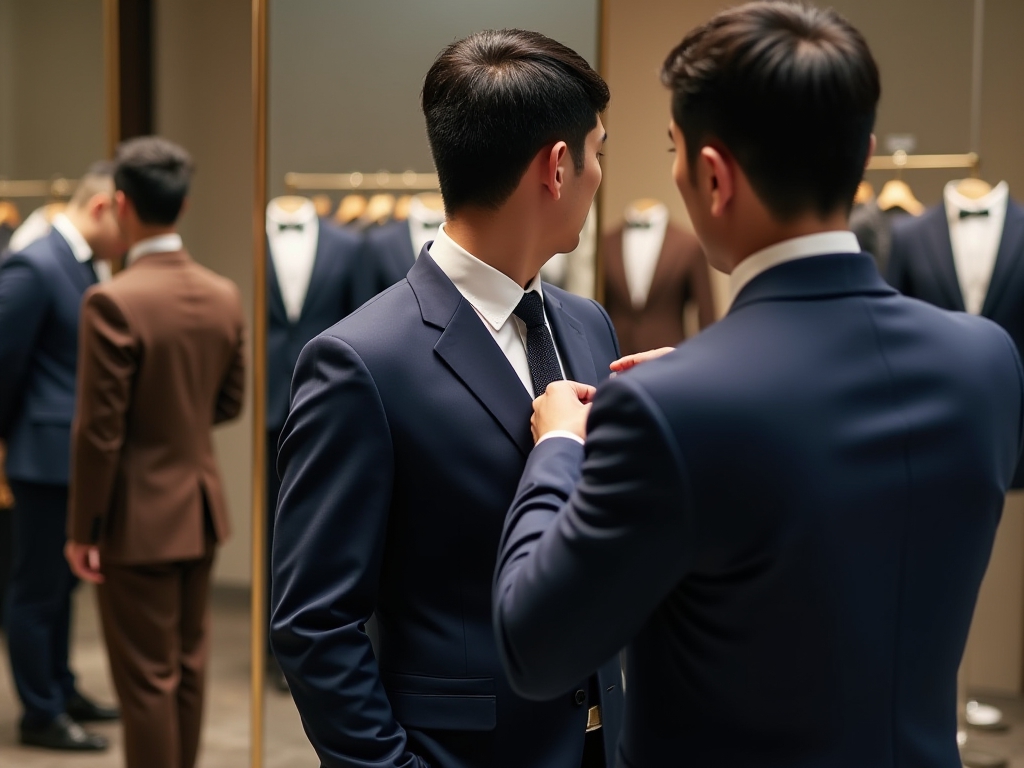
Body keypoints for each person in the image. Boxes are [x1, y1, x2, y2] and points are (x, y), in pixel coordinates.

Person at [492, 4, 1024, 768]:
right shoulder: (987, 364)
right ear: (864, 155)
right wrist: (700, 391)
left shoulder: (673, 409)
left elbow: (532, 647)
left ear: (713, 176)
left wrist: (559, 450)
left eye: (676, 152)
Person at [272, 29, 623, 768]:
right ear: (557, 168)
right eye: (599, 152)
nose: (600, 174)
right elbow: (313, 623)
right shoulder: (360, 361)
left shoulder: (587, 324)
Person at [65, 136, 246, 768]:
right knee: (187, 668)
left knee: (145, 682)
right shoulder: (223, 293)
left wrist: (84, 527)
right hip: (200, 508)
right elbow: (230, 402)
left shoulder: (112, 300)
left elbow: (99, 431)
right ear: (184, 204)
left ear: (120, 203)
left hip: (136, 519)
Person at [0, 163, 123, 751]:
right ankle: (40, 712)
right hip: (39, 452)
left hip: (68, 454)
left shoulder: (73, 262)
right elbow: (3, 363)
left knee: (62, 586)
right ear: (100, 208)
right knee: (34, 588)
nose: (126, 239)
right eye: (122, 222)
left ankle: (62, 686)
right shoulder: (35, 262)